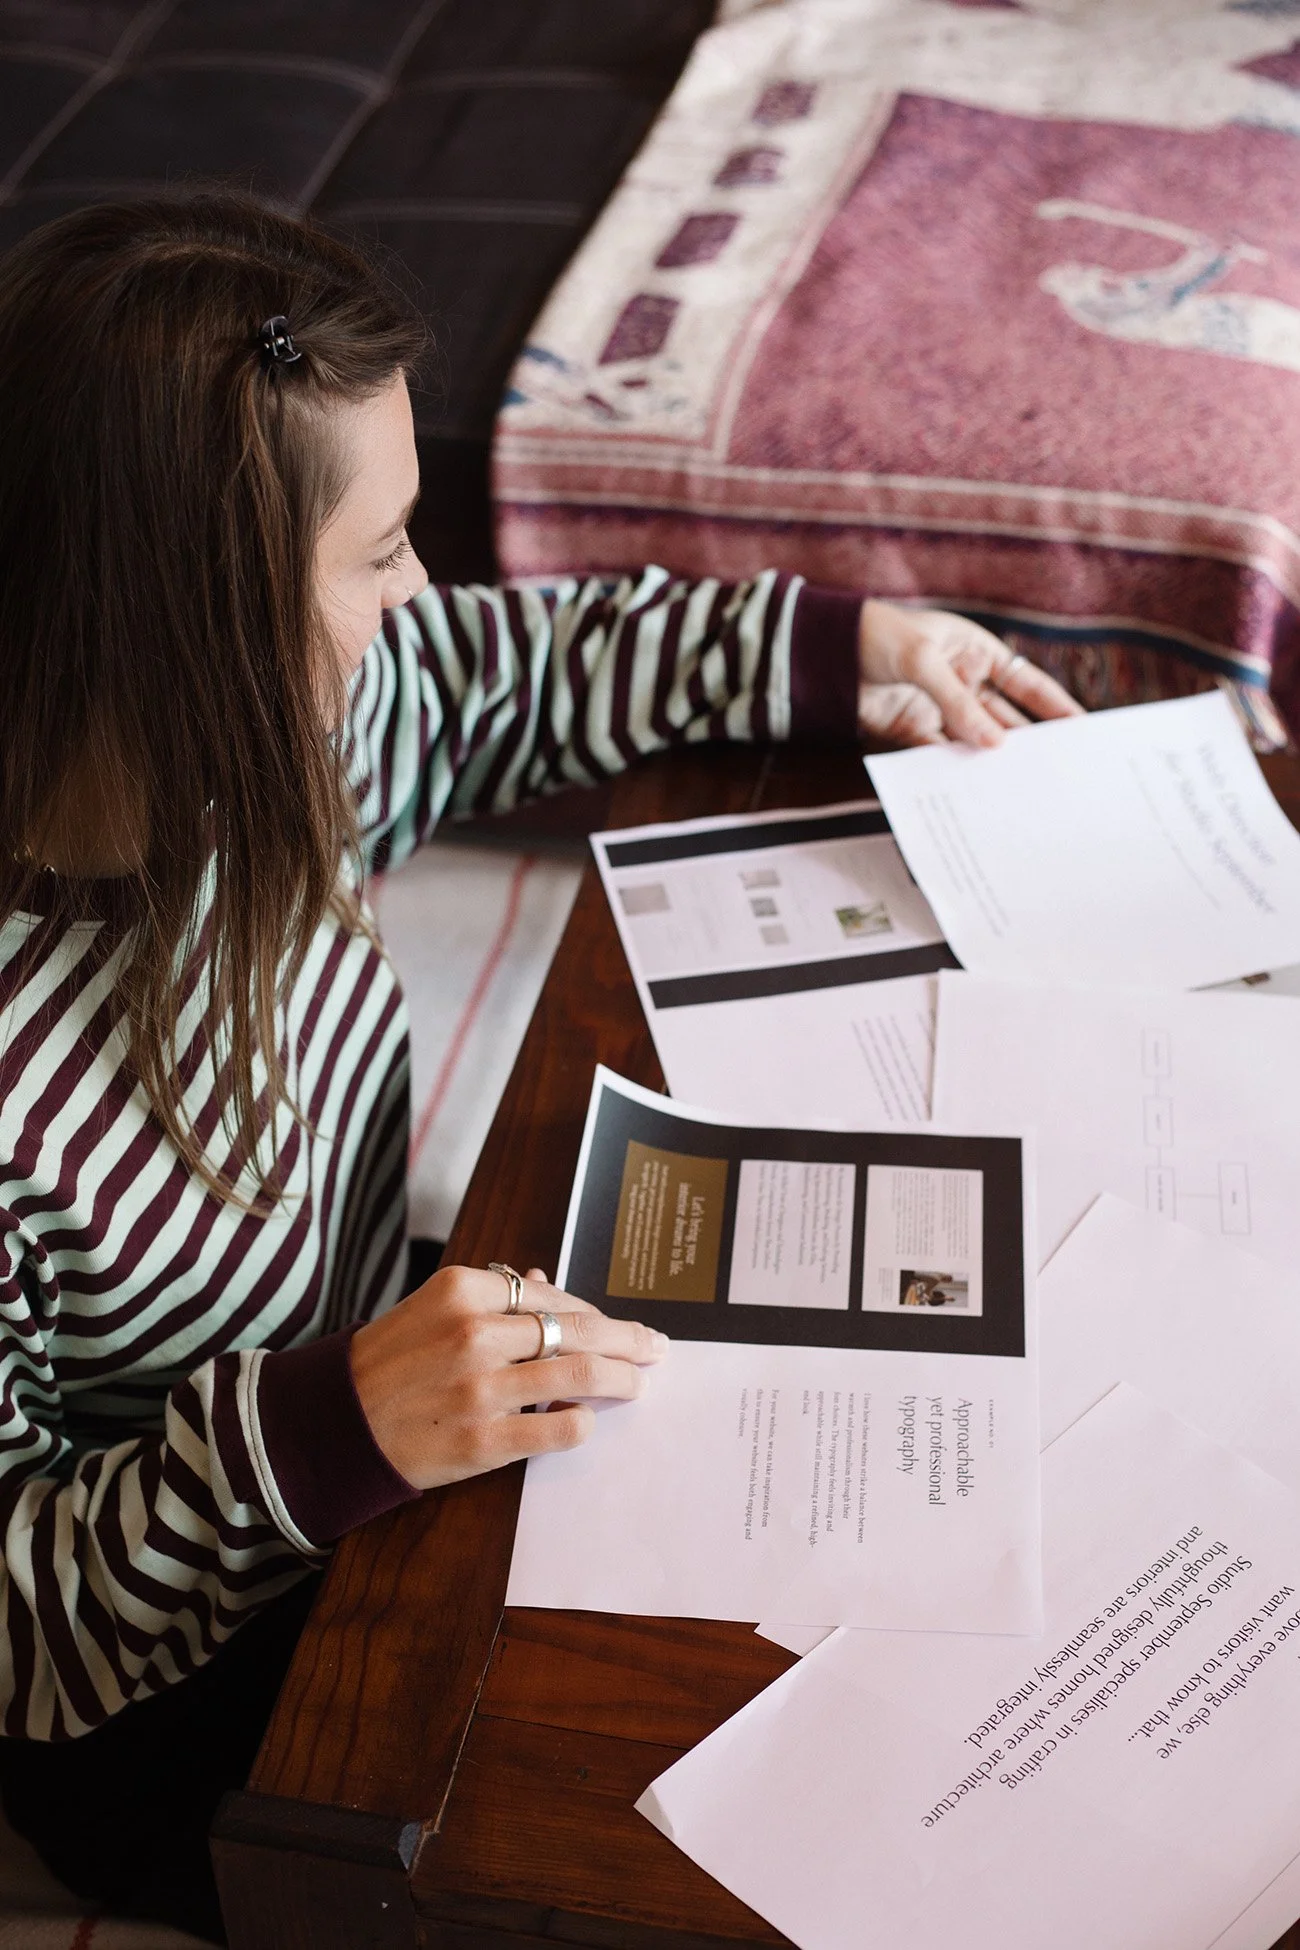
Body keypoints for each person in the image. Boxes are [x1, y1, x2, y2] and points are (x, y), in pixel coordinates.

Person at [0, 192, 1080, 1943]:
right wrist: (326, 1429)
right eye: (379, 552)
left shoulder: (291, 736)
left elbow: (528, 667)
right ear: (197, 621)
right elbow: (22, 1631)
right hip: (180, 1684)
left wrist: (845, 647)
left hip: (362, 1391)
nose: (420, 591)